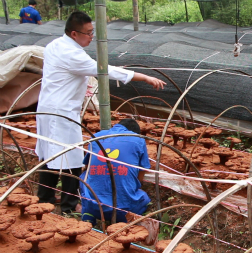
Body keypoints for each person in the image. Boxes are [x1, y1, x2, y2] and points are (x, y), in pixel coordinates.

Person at [35, 11, 166, 215]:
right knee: (71, 158)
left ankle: (46, 198)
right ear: (73, 33)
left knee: (50, 155)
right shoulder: (72, 53)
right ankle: (68, 206)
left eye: (92, 32)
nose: (91, 37)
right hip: (61, 112)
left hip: (48, 108)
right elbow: (105, 70)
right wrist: (145, 78)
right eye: (88, 33)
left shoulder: (55, 45)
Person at [79, 119, 151, 225]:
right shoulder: (138, 139)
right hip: (124, 210)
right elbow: (142, 171)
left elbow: (87, 166)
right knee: (144, 199)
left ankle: (88, 214)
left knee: (83, 177)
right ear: (134, 132)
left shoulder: (97, 136)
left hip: (94, 206)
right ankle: (123, 221)